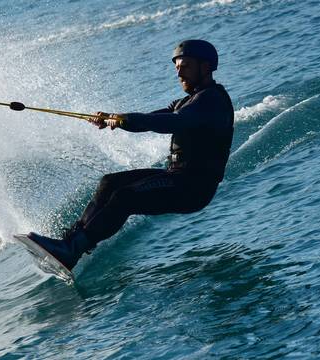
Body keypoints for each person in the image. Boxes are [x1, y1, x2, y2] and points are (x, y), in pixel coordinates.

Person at [26, 39, 235, 271]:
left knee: (125, 197)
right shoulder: (186, 101)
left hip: (194, 186)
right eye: (176, 67)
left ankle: (72, 250)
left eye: (185, 66)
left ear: (205, 67)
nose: (179, 73)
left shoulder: (212, 100)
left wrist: (124, 119)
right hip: (177, 176)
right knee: (110, 182)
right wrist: (111, 118)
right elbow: (152, 117)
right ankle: (69, 242)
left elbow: (170, 122)